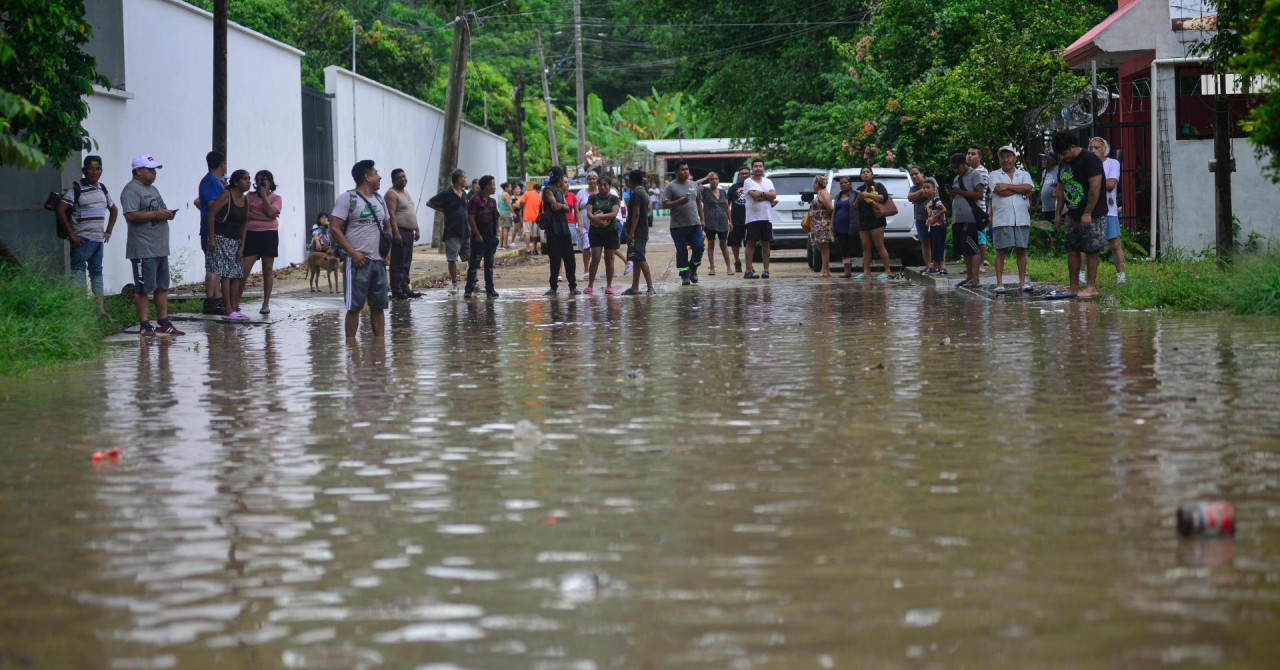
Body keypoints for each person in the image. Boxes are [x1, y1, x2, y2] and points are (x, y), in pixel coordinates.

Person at [120, 154, 183, 336]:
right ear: (138, 170)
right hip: (143, 248)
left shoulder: (153, 189)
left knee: (162, 286)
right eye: (150, 170)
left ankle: (163, 322)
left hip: (160, 247)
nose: (154, 173)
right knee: (143, 288)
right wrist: (156, 215)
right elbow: (130, 215)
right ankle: (144, 325)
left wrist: (167, 214)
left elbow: (157, 210)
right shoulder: (131, 190)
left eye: (155, 170)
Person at [330, 159, 392, 338]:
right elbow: (334, 228)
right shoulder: (347, 198)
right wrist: (353, 253)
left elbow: (388, 226)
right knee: (354, 307)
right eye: (376, 174)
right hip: (358, 262)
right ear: (367, 177)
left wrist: (388, 253)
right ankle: (351, 351)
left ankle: (380, 349)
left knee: (379, 307)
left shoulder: (380, 199)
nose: (380, 177)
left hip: (378, 261)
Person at [56, 154, 118, 315]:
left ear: (101, 170)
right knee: (78, 272)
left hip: (98, 240)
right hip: (82, 240)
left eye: (97, 169)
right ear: (84, 170)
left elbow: (114, 209)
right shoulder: (76, 188)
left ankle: (100, 311)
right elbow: (60, 209)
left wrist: (109, 231)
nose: (93, 172)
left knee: (97, 273)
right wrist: (72, 235)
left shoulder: (102, 188)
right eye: (90, 168)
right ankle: (77, 310)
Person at [1051, 132, 1107, 300]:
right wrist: (1058, 214)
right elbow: (1061, 189)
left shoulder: (1091, 160)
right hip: (1072, 213)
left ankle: (1091, 287)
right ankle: (1073, 287)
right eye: (1060, 154)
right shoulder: (1063, 163)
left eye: (1064, 153)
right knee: (1072, 249)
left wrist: (1088, 213)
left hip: (1093, 214)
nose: (1063, 157)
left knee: (1091, 250)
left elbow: (1095, 188)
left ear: (1073, 147)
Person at [989, 146, 1034, 293]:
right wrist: (1020, 190)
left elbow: (1029, 187)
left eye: (1009, 156)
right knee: (1000, 251)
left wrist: (1008, 186)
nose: (1006, 159)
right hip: (1002, 218)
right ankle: (1000, 284)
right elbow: (999, 191)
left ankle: (1022, 283)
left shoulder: (1024, 174)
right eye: (1002, 157)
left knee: (1021, 250)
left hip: (1021, 218)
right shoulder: (994, 175)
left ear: (1015, 158)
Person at [207, 169, 251, 321]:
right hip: (221, 238)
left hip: (236, 240)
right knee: (226, 274)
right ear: (236, 182)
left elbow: (245, 224)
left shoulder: (246, 200)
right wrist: (212, 238)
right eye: (245, 179)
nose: (248, 182)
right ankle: (227, 309)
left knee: (237, 274)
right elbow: (211, 214)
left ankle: (234, 307)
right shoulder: (227, 194)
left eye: (249, 179)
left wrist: (242, 246)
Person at [241, 169, 282, 314]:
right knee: (244, 269)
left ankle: (265, 304)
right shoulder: (249, 196)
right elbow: (245, 213)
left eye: (264, 179)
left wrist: (264, 196)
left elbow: (272, 213)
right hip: (251, 234)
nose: (260, 182)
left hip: (269, 234)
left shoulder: (276, 198)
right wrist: (264, 218)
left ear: (270, 182)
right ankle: (235, 303)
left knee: (267, 270)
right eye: (258, 179)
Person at [1089, 136, 1126, 284]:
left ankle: (1121, 276)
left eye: (1096, 148)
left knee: (1115, 244)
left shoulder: (1113, 163)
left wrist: (1093, 184)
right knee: (1088, 245)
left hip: (1109, 210)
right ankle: (1082, 275)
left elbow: (1111, 184)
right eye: (1091, 148)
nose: (1093, 150)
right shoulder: (1087, 165)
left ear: (1105, 150)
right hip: (1090, 210)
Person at [661, 161, 705, 286]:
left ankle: (693, 269)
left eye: (687, 169)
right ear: (676, 172)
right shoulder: (670, 186)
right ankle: (684, 275)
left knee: (699, 247)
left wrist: (702, 219)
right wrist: (678, 202)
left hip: (694, 224)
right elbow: (664, 204)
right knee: (682, 251)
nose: (686, 171)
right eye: (682, 169)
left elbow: (698, 203)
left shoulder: (693, 185)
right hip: (677, 226)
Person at [427, 169, 470, 293]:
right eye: (464, 178)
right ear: (458, 179)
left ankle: (473, 281)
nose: (465, 180)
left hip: (465, 231)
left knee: (470, 257)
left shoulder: (464, 193)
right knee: (452, 260)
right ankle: (454, 284)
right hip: (452, 231)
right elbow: (429, 202)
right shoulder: (446, 193)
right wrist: (443, 210)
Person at [947, 153, 984, 287]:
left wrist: (959, 192)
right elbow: (954, 199)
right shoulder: (957, 178)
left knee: (973, 248)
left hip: (970, 218)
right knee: (965, 249)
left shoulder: (975, 174)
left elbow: (979, 195)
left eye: (957, 167)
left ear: (964, 164)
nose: (956, 170)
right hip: (958, 218)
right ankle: (969, 277)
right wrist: (952, 194)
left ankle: (976, 278)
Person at [386, 168, 423, 300]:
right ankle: (397, 290)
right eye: (399, 177)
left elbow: (410, 212)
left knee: (406, 262)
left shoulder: (406, 193)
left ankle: (405, 288)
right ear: (393, 180)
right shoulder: (391, 194)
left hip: (409, 232)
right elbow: (391, 215)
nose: (402, 179)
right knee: (398, 262)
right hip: (400, 231)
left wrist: (416, 228)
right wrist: (396, 233)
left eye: (403, 176)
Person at [541, 167, 578, 296]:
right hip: (553, 231)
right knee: (555, 260)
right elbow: (555, 206)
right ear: (561, 178)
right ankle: (553, 287)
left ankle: (572, 286)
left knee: (570, 260)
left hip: (564, 230)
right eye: (563, 178)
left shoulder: (559, 191)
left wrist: (562, 206)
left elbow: (565, 208)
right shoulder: (548, 190)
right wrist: (563, 206)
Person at [198, 151, 227, 314]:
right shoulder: (209, 181)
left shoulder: (217, 182)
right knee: (212, 265)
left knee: (217, 266)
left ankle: (217, 298)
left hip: (219, 230)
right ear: (222, 163)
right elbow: (212, 204)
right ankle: (211, 300)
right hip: (210, 230)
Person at [464, 175, 500, 299]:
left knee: (489, 266)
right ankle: (468, 289)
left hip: (490, 239)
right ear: (487, 187)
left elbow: (496, 217)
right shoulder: (475, 199)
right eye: (493, 185)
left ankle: (490, 289)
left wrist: (496, 234)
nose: (495, 187)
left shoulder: (492, 202)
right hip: (478, 240)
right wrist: (477, 234)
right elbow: (470, 217)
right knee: (474, 265)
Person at [585, 174, 622, 294]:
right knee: (595, 257)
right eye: (600, 185)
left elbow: (614, 214)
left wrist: (600, 216)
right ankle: (590, 285)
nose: (602, 187)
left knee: (609, 258)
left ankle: (609, 285)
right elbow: (589, 213)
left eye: (605, 185)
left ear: (609, 187)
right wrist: (597, 221)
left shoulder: (614, 199)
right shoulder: (592, 198)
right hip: (595, 231)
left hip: (610, 231)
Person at [855, 167, 893, 280]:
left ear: (872, 174)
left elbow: (884, 198)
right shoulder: (859, 189)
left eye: (868, 172)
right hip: (863, 221)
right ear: (861, 176)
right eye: (863, 173)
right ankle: (866, 272)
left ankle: (887, 271)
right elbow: (855, 206)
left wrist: (868, 195)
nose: (865, 174)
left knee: (879, 245)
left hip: (877, 220)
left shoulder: (878, 186)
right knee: (865, 246)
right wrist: (858, 198)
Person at [742, 159, 776, 279]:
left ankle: (766, 270)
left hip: (766, 217)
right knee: (750, 243)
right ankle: (748, 270)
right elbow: (755, 197)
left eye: (760, 166)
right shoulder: (748, 182)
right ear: (752, 168)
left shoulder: (768, 181)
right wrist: (767, 196)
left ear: (763, 168)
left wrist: (762, 194)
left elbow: (774, 195)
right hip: (753, 218)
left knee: (766, 243)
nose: (758, 168)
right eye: (755, 166)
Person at [624, 169, 655, 295]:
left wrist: (631, 232)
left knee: (640, 259)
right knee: (636, 259)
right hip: (641, 231)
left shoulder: (636, 194)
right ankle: (635, 287)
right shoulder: (643, 192)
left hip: (638, 232)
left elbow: (636, 214)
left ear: (630, 181)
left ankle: (650, 287)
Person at [906, 165, 939, 273]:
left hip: (935, 217)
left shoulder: (931, 180)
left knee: (936, 241)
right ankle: (928, 266)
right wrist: (923, 190)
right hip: (920, 218)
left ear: (922, 174)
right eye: (911, 175)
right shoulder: (913, 188)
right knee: (924, 242)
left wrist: (918, 196)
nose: (914, 176)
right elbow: (910, 197)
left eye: (916, 173)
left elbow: (934, 193)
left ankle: (938, 265)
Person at [700, 172, 731, 275]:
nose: (714, 181)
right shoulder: (704, 191)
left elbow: (727, 207)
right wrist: (705, 177)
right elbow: (693, 185)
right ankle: (712, 268)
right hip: (710, 222)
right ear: (709, 181)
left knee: (724, 245)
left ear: (718, 180)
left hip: (723, 221)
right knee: (711, 245)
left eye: (716, 179)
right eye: (712, 179)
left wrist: (730, 221)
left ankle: (729, 268)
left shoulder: (723, 192)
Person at [832, 176, 862, 278]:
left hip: (853, 226)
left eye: (845, 182)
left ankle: (865, 269)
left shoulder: (856, 195)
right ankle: (847, 272)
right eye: (841, 183)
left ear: (850, 183)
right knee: (844, 250)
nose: (843, 185)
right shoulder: (837, 196)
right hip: (840, 227)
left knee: (858, 249)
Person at [966, 144, 990, 265]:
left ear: (979, 157)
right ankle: (971, 265)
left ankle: (980, 265)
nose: (969, 156)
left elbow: (978, 192)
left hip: (978, 209)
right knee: (969, 238)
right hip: (967, 211)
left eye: (973, 154)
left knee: (980, 239)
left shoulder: (982, 172)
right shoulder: (966, 171)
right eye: (968, 153)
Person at [726, 166, 749, 274]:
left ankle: (749, 265)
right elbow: (727, 204)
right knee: (735, 244)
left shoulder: (753, 186)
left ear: (749, 175)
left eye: (746, 173)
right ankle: (737, 261)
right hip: (736, 220)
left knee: (750, 243)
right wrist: (729, 220)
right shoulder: (733, 187)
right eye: (742, 173)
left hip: (750, 220)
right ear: (739, 175)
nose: (744, 175)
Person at [575, 172, 599, 279]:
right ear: (587, 180)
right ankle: (586, 270)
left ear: (597, 180)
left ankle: (593, 269)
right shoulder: (581, 193)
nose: (592, 181)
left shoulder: (600, 192)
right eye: (590, 179)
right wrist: (579, 225)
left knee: (595, 249)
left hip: (597, 224)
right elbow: (576, 210)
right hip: (584, 222)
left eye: (594, 178)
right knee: (586, 246)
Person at [1039, 152, 1061, 250]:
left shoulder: (1058, 171)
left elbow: (1062, 184)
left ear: (1052, 161)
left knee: (1056, 228)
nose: (1043, 161)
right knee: (1048, 229)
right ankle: (1050, 249)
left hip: (1055, 206)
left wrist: (1057, 190)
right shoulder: (1044, 172)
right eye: (1042, 159)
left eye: (1045, 159)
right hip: (1046, 206)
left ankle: (1056, 249)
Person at [925, 184, 948, 274]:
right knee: (934, 246)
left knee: (938, 246)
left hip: (940, 226)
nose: (925, 190)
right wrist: (929, 221)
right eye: (924, 188)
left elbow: (944, 209)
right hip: (934, 226)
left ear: (934, 190)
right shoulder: (930, 201)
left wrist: (933, 218)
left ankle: (940, 266)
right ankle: (935, 266)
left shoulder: (936, 200)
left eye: (928, 187)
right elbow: (931, 214)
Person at [520, 181, 543, 255]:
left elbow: (521, 202)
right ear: (539, 190)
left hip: (527, 216)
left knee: (527, 232)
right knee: (535, 235)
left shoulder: (527, 193)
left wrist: (522, 208)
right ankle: (535, 249)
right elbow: (541, 209)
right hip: (536, 218)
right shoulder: (539, 197)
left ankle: (528, 249)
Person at [497, 182, 515, 250]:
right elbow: (509, 205)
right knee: (506, 229)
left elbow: (498, 204)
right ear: (506, 188)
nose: (511, 188)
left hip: (501, 212)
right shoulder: (506, 194)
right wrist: (513, 212)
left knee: (503, 229)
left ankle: (501, 245)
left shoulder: (500, 194)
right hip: (506, 212)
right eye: (509, 187)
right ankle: (505, 245)